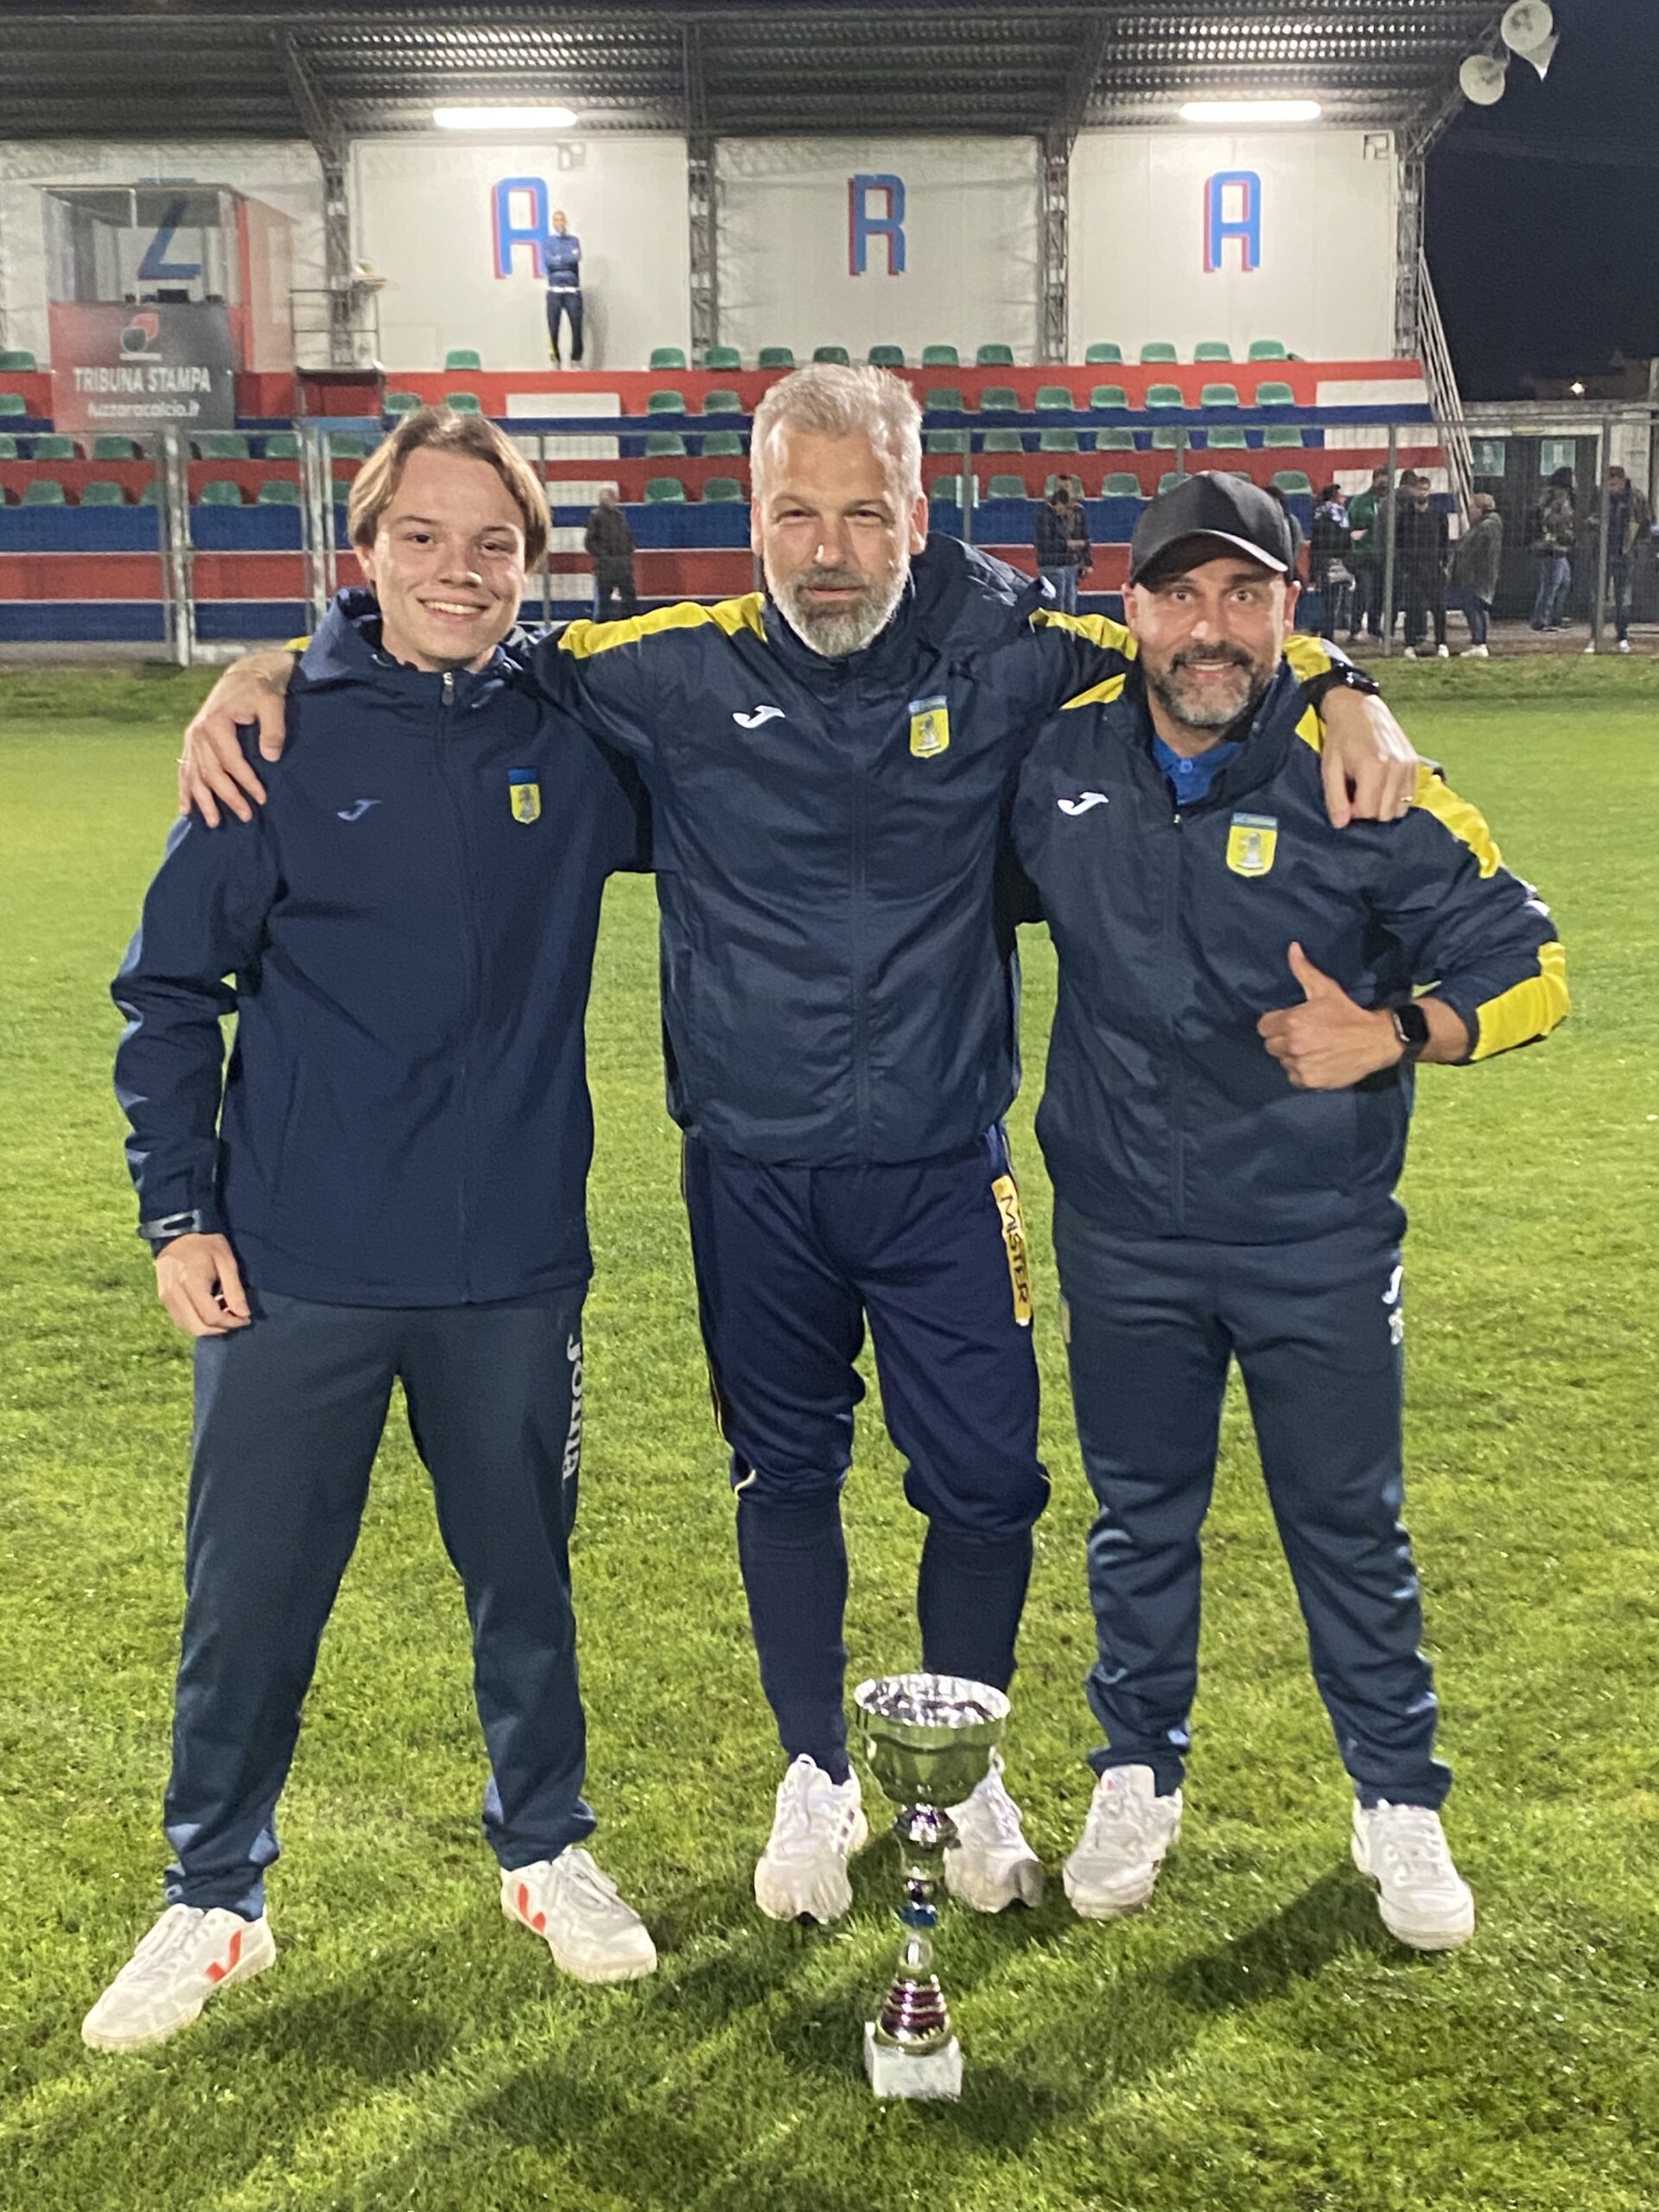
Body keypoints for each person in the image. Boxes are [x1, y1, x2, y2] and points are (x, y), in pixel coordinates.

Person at [175, 365, 1418, 1933]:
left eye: (865, 514)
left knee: (990, 1486)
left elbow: (1201, 645)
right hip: (753, 1173)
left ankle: (964, 1772)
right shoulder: (662, 669)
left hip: (946, 1164)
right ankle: (816, 1771)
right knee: (784, 1471)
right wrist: (273, 664)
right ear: (750, 515)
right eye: (795, 514)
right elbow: (450, 637)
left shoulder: (1018, 649)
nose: (831, 551)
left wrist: (1347, 680)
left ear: (921, 513)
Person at [85, 410, 655, 2055]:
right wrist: (178, 1213)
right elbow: (167, 993)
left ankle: (545, 1850)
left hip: (511, 1266)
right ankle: (214, 1895)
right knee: (249, 1597)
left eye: (494, 545)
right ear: (367, 550)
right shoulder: (272, 742)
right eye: (423, 537)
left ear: (533, 568)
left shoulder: (584, 734)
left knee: (524, 1582)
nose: (457, 572)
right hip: (295, 1266)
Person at [1011, 473, 1568, 1951]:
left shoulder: (1367, 785)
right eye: (1182, 596)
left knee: (1348, 1529)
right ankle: (1137, 1771)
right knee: (1140, 1521)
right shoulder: (1056, 754)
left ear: (1287, 610)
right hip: (1123, 1229)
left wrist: (1398, 1032)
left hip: (1313, 1237)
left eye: (1245, 597)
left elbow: (1535, 965)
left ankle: (1397, 1797)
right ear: (1131, 611)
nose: (1211, 630)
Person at [1587, 464, 1653, 654]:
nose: (1612, 488)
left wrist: (1637, 543)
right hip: (1603, 553)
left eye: (1614, 484)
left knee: (1623, 597)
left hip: (1625, 553)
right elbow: (1589, 519)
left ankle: (1622, 635)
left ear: (1622, 481)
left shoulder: (1636, 497)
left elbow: (1646, 522)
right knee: (1597, 596)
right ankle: (1595, 635)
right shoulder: (1600, 496)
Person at [1395, 474, 1450, 657]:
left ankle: (1441, 643)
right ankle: (1410, 643)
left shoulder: (1438, 514)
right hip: (1412, 568)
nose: (1422, 493)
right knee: (1412, 607)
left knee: (1438, 607)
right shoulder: (1405, 515)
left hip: (1433, 567)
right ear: (1413, 491)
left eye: (1426, 489)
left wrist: (1443, 563)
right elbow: (1399, 541)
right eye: (1419, 489)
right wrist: (1404, 566)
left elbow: (1444, 540)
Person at [1452, 491, 1503, 657]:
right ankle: (1480, 642)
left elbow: (1468, 549)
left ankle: (1478, 642)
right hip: (1482, 574)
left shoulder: (1485, 527)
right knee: (1478, 609)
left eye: (1472, 507)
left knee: (1473, 608)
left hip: (1477, 575)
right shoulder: (1491, 524)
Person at [1529, 466, 1577, 632]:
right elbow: (1552, 519)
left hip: (1560, 546)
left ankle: (1555, 616)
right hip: (1553, 545)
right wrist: (1564, 533)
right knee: (1551, 584)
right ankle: (1542, 619)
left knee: (1564, 582)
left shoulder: (1562, 496)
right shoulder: (1557, 496)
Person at [1346, 467, 1391, 642]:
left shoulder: (1392, 501)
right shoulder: (1360, 501)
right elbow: (1352, 525)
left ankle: (1374, 627)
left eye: (1387, 482)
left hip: (1385, 555)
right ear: (1374, 480)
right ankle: (1355, 627)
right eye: (1381, 482)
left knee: (1380, 593)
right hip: (1364, 555)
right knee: (1363, 591)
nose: (1384, 486)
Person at [1307, 482, 1354, 642]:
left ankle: (1321, 631)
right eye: (1341, 496)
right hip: (1334, 563)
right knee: (1332, 602)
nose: (1344, 499)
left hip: (1323, 562)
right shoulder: (1338, 517)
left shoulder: (1319, 514)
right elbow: (1342, 542)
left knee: (1327, 601)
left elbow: (1315, 544)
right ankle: (1327, 636)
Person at [585, 486, 639, 620]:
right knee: (604, 600)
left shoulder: (620, 516)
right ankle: (602, 625)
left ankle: (630, 623)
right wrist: (604, 557)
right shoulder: (596, 515)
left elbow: (627, 537)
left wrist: (628, 553)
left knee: (629, 598)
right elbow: (590, 542)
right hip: (606, 566)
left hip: (623, 565)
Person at [1033, 481, 1084, 614]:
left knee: (1067, 608)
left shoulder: (1059, 517)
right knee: (1056, 609)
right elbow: (1044, 545)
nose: (1066, 511)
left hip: (1064, 565)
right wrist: (1067, 544)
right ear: (1059, 503)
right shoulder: (1045, 519)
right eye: (1065, 508)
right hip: (1051, 566)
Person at [544, 208, 583, 366]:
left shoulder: (573, 241)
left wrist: (559, 259)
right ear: (553, 223)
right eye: (556, 220)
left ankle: (576, 359)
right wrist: (565, 259)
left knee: (577, 326)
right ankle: (555, 359)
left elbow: (575, 258)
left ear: (565, 222)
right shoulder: (548, 242)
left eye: (562, 219)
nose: (559, 222)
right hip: (555, 291)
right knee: (553, 328)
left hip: (572, 291)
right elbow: (549, 261)